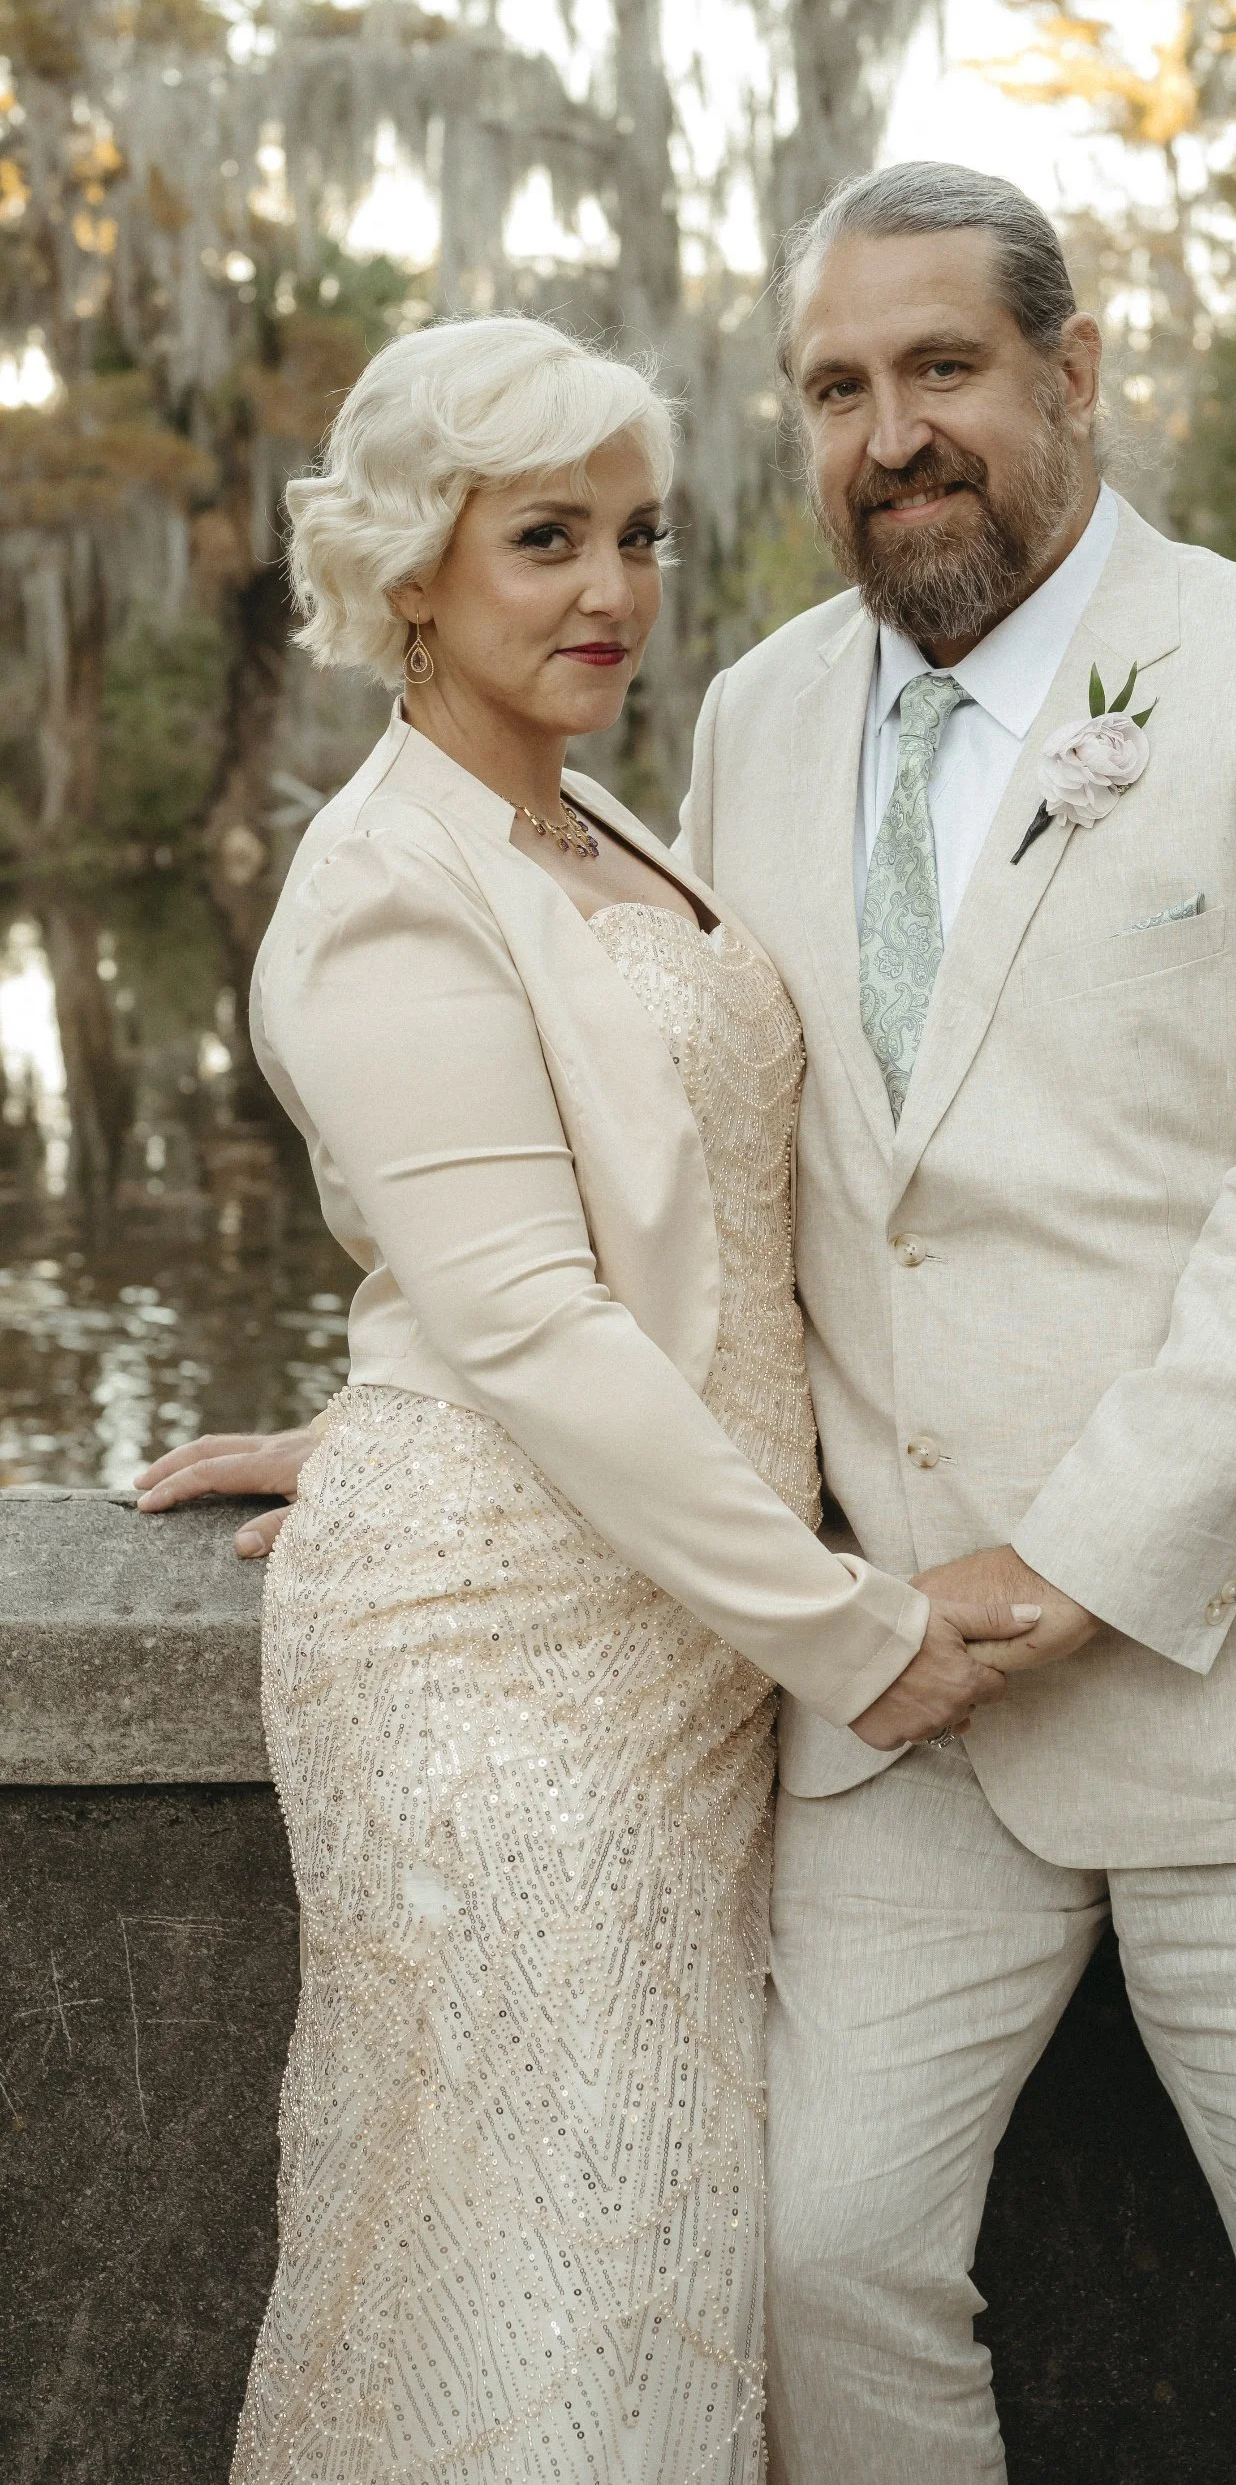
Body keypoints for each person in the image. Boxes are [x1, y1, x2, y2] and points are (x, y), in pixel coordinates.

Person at [141, 164, 1236, 2485]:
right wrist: (431, 1400)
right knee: (813, 2268)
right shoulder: (761, 717)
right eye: (833, 387)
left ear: (1070, 372)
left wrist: (1071, 1561)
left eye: (942, 366)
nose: (890, 432)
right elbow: (718, 1155)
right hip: (902, 1712)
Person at [188, 311, 1037, 2485]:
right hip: (508, 1670)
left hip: (676, 1628)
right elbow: (537, 1328)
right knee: (552, 2280)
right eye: (543, 538)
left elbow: (640, 1222)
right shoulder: (385, 888)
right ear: (411, 570)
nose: (611, 592)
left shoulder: (585, 824)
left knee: (664, 2253)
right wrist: (854, 1632)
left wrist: (385, 1389)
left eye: (639, 535)